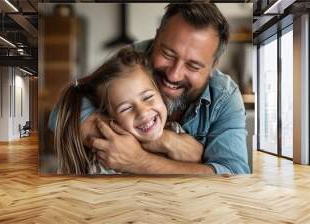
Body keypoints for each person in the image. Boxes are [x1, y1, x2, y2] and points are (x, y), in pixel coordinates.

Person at [50, 3, 250, 175]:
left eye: (193, 66)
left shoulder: (225, 96)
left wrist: (140, 161)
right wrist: (166, 140)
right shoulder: (131, 62)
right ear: (156, 38)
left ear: (213, 66)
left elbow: (234, 175)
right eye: (168, 54)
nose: (174, 75)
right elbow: (61, 112)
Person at [54, 48, 197, 174]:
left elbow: (198, 155)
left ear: (160, 93)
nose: (142, 111)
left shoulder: (175, 129)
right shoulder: (106, 159)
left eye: (147, 97)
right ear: (112, 120)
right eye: (126, 108)